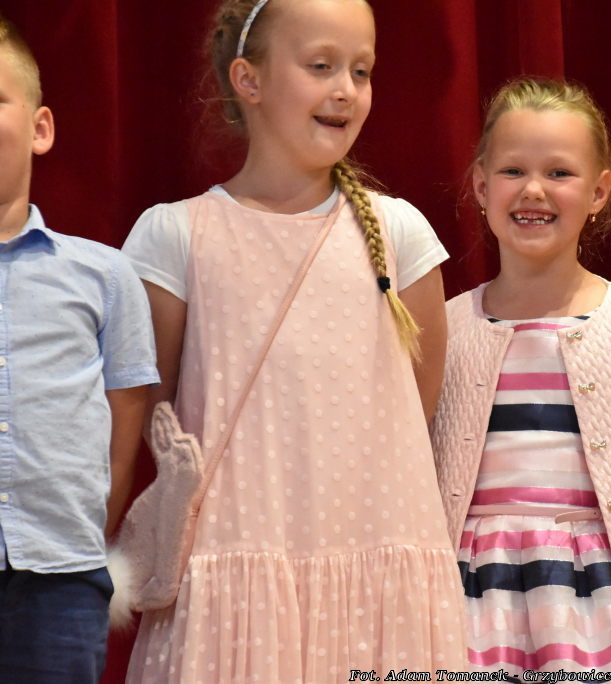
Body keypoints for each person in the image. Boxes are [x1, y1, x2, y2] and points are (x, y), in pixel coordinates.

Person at [120, 0, 465, 680]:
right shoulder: (174, 236)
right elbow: (150, 411)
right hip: (233, 579)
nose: (346, 90)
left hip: (380, 569)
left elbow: (419, 403)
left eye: (361, 71)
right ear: (248, 79)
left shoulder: (399, 234)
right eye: (321, 66)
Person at [431, 77, 611, 680]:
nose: (533, 189)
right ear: (482, 186)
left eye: (559, 173)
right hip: (473, 596)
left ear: (598, 191)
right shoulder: (446, 328)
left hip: (610, 596)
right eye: (513, 171)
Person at [0, 13, 158, 684]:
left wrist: (84, 532)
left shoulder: (104, 276)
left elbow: (125, 423)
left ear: (40, 128)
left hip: (61, 577)